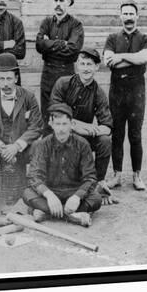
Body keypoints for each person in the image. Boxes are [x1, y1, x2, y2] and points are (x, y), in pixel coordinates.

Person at [49, 48, 116, 205]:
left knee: (105, 141)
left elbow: (107, 126)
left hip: (83, 138)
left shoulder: (98, 92)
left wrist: (88, 129)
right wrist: (78, 125)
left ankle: (99, 181)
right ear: (76, 65)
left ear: (97, 67)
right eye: (82, 63)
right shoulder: (63, 83)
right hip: (61, 134)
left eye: (90, 64)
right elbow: (54, 113)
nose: (86, 68)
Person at [103, 0, 147, 191]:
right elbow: (108, 61)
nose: (128, 17)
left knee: (135, 135)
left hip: (136, 92)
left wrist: (121, 57)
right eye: (124, 14)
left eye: (131, 14)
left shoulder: (145, 38)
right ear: (120, 17)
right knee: (117, 134)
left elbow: (146, 57)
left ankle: (137, 176)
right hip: (116, 91)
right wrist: (134, 60)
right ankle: (117, 176)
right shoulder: (112, 38)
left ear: (137, 17)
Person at [22, 103, 102, 227]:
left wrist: (77, 197)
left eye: (65, 124)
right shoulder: (42, 145)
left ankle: (45, 213)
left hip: (73, 191)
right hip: (51, 191)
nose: (61, 129)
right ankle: (72, 216)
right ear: (51, 124)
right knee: (27, 194)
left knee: (96, 199)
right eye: (57, 124)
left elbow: (90, 177)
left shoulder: (82, 144)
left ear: (72, 124)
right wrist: (49, 195)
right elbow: (34, 176)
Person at [0, 52, 44, 168]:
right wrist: (0, 146)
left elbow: (36, 126)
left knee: (41, 148)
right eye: (2, 78)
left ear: (16, 78)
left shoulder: (29, 97)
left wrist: (16, 146)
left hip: (22, 148)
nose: (5, 84)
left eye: (9, 78)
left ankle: (36, 182)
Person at [36, 0, 84, 132]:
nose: (58, 4)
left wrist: (48, 44)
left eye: (61, 0)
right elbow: (39, 45)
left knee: (65, 117)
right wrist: (61, 43)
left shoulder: (76, 25)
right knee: (47, 119)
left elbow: (73, 49)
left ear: (69, 2)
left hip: (66, 76)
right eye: (55, 0)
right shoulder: (46, 23)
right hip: (47, 75)